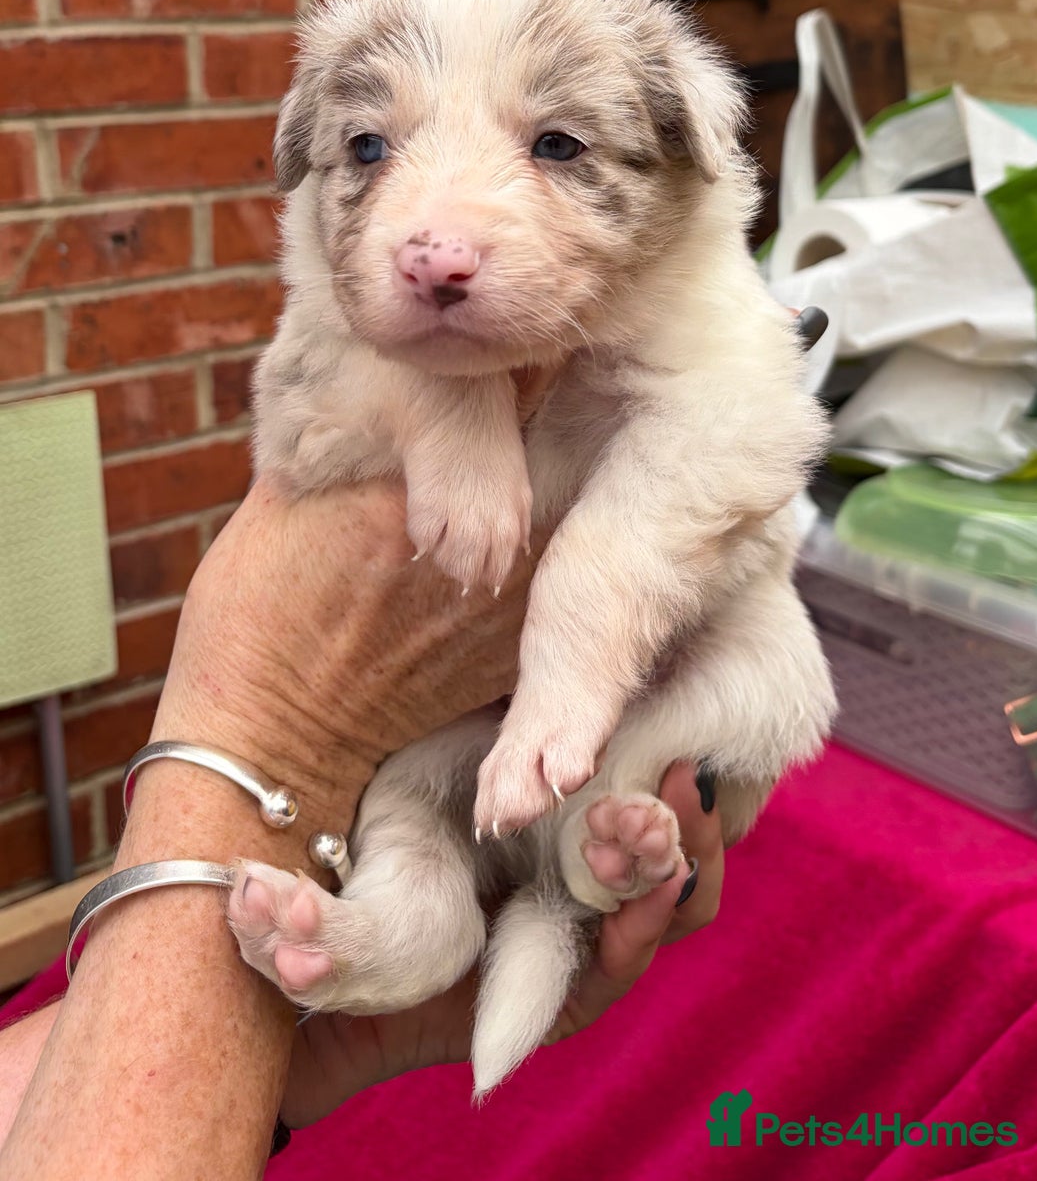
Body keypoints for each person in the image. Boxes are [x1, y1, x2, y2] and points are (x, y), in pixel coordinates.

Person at [0, 476, 725, 1179]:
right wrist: (284, 728)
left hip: (648, 694)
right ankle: (422, 927)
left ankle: (574, 858)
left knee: (753, 685)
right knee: (416, 811)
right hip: (460, 754)